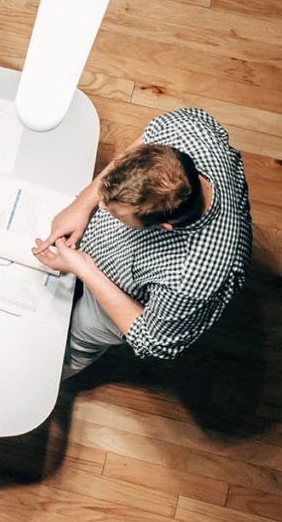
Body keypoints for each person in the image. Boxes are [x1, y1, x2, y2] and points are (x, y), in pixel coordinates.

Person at [32, 108, 252, 376]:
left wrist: (85, 269)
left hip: (120, 300)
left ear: (164, 227)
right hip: (103, 253)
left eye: (115, 213)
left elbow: (153, 340)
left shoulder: (194, 276)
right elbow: (142, 143)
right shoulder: (187, 129)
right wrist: (84, 202)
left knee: (79, 338)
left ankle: (51, 374)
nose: (100, 206)